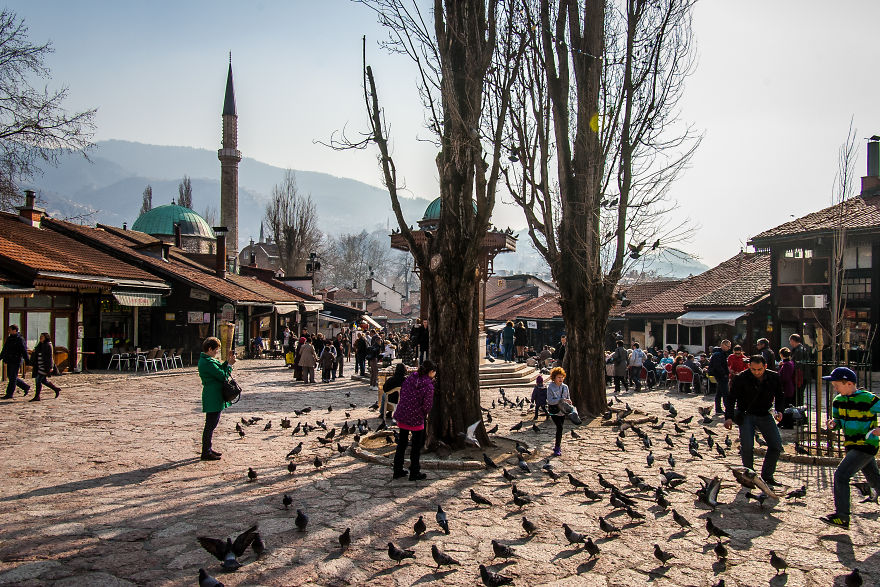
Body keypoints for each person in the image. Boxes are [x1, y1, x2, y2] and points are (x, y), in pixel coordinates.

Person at [820, 367, 880, 529]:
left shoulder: (868, 399)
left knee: (841, 476)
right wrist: (833, 425)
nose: (834, 387)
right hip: (851, 445)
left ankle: (842, 517)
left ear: (848, 383)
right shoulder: (838, 400)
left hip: (866, 445)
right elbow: (838, 422)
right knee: (874, 477)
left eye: (837, 384)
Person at [724, 355, 784, 485]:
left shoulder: (774, 377)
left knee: (776, 445)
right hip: (746, 414)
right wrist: (728, 417)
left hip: (764, 414)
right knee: (747, 446)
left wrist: (779, 411)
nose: (756, 372)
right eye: (753, 369)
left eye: (759, 370)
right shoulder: (741, 378)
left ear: (765, 367)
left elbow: (779, 396)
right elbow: (731, 398)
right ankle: (749, 476)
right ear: (749, 367)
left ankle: (767, 475)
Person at [392, 360, 437, 481]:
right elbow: (427, 405)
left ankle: (397, 470)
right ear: (431, 372)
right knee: (416, 446)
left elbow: (403, 392)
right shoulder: (428, 385)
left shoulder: (411, 378)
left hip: (403, 414)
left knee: (401, 443)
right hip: (416, 417)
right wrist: (422, 413)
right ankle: (414, 471)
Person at [198, 337, 236, 461]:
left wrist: (227, 362)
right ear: (209, 349)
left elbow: (220, 370)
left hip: (215, 394)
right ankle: (206, 452)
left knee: (212, 424)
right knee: (210, 425)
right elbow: (222, 375)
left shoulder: (208, 360)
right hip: (213, 395)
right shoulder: (207, 362)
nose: (216, 353)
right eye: (215, 350)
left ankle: (208, 448)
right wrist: (229, 365)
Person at [546, 367, 571, 456]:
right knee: (560, 427)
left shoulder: (565, 387)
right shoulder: (550, 387)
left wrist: (568, 402)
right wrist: (560, 400)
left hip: (562, 410)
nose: (560, 379)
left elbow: (568, 398)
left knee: (560, 428)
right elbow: (550, 401)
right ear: (554, 378)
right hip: (554, 410)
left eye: (562, 377)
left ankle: (557, 445)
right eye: (558, 377)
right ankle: (557, 447)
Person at [0, 325, 30, 399]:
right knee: (11, 376)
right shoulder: (10, 338)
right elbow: (5, 350)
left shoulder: (19, 339)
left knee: (13, 377)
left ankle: (9, 394)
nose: (8, 331)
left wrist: (27, 361)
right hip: (9, 360)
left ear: (15, 330)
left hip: (16, 360)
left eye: (10, 330)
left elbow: (24, 350)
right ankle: (25, 386)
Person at [29, 332, 61, 401]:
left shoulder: (48, 345)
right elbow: (36, 353)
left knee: (38, 380)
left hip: (45, 366)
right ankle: (56, 389)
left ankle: (37, 396)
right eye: (40, 336)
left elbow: (50, 357)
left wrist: (51, 367)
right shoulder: (40, 344)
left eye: (42, 337)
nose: (40, 338)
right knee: (43, 381)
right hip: (39, 365)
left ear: (46, 338)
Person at [708, 340, 731, 414]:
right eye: (728, 346)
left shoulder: (720, 353)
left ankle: (718, 409)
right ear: (723, 345)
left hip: (720, 375)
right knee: (725, 393)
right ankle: (728, 409)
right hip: (720, 376)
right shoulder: (718, 354)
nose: (729, 348)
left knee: (719, 392)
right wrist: (724, 374)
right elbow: (718, 366)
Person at [789, 333, 811, 405]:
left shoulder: (799, 350)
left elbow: (798, 364)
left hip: (800, 376)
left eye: (790, 341)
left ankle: (798, 410)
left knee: (798, 394)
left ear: (793, 340)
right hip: (802, 375)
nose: (790, 343)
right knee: (799, 394)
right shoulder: (800, 349)